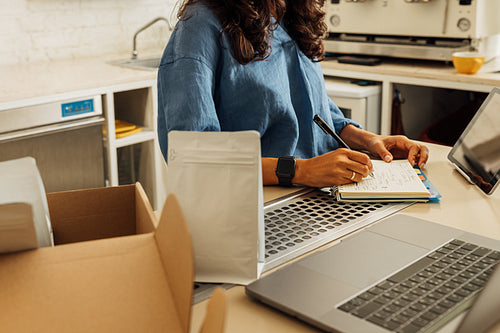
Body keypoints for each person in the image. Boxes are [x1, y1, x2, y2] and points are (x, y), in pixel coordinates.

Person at [157, 0, 429, 188]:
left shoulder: (291, 14)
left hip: (320, 195)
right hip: (256, 203)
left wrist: (370, 140)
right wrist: (302, 171)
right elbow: (193, 157)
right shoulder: (200, 25)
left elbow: (312, 109)